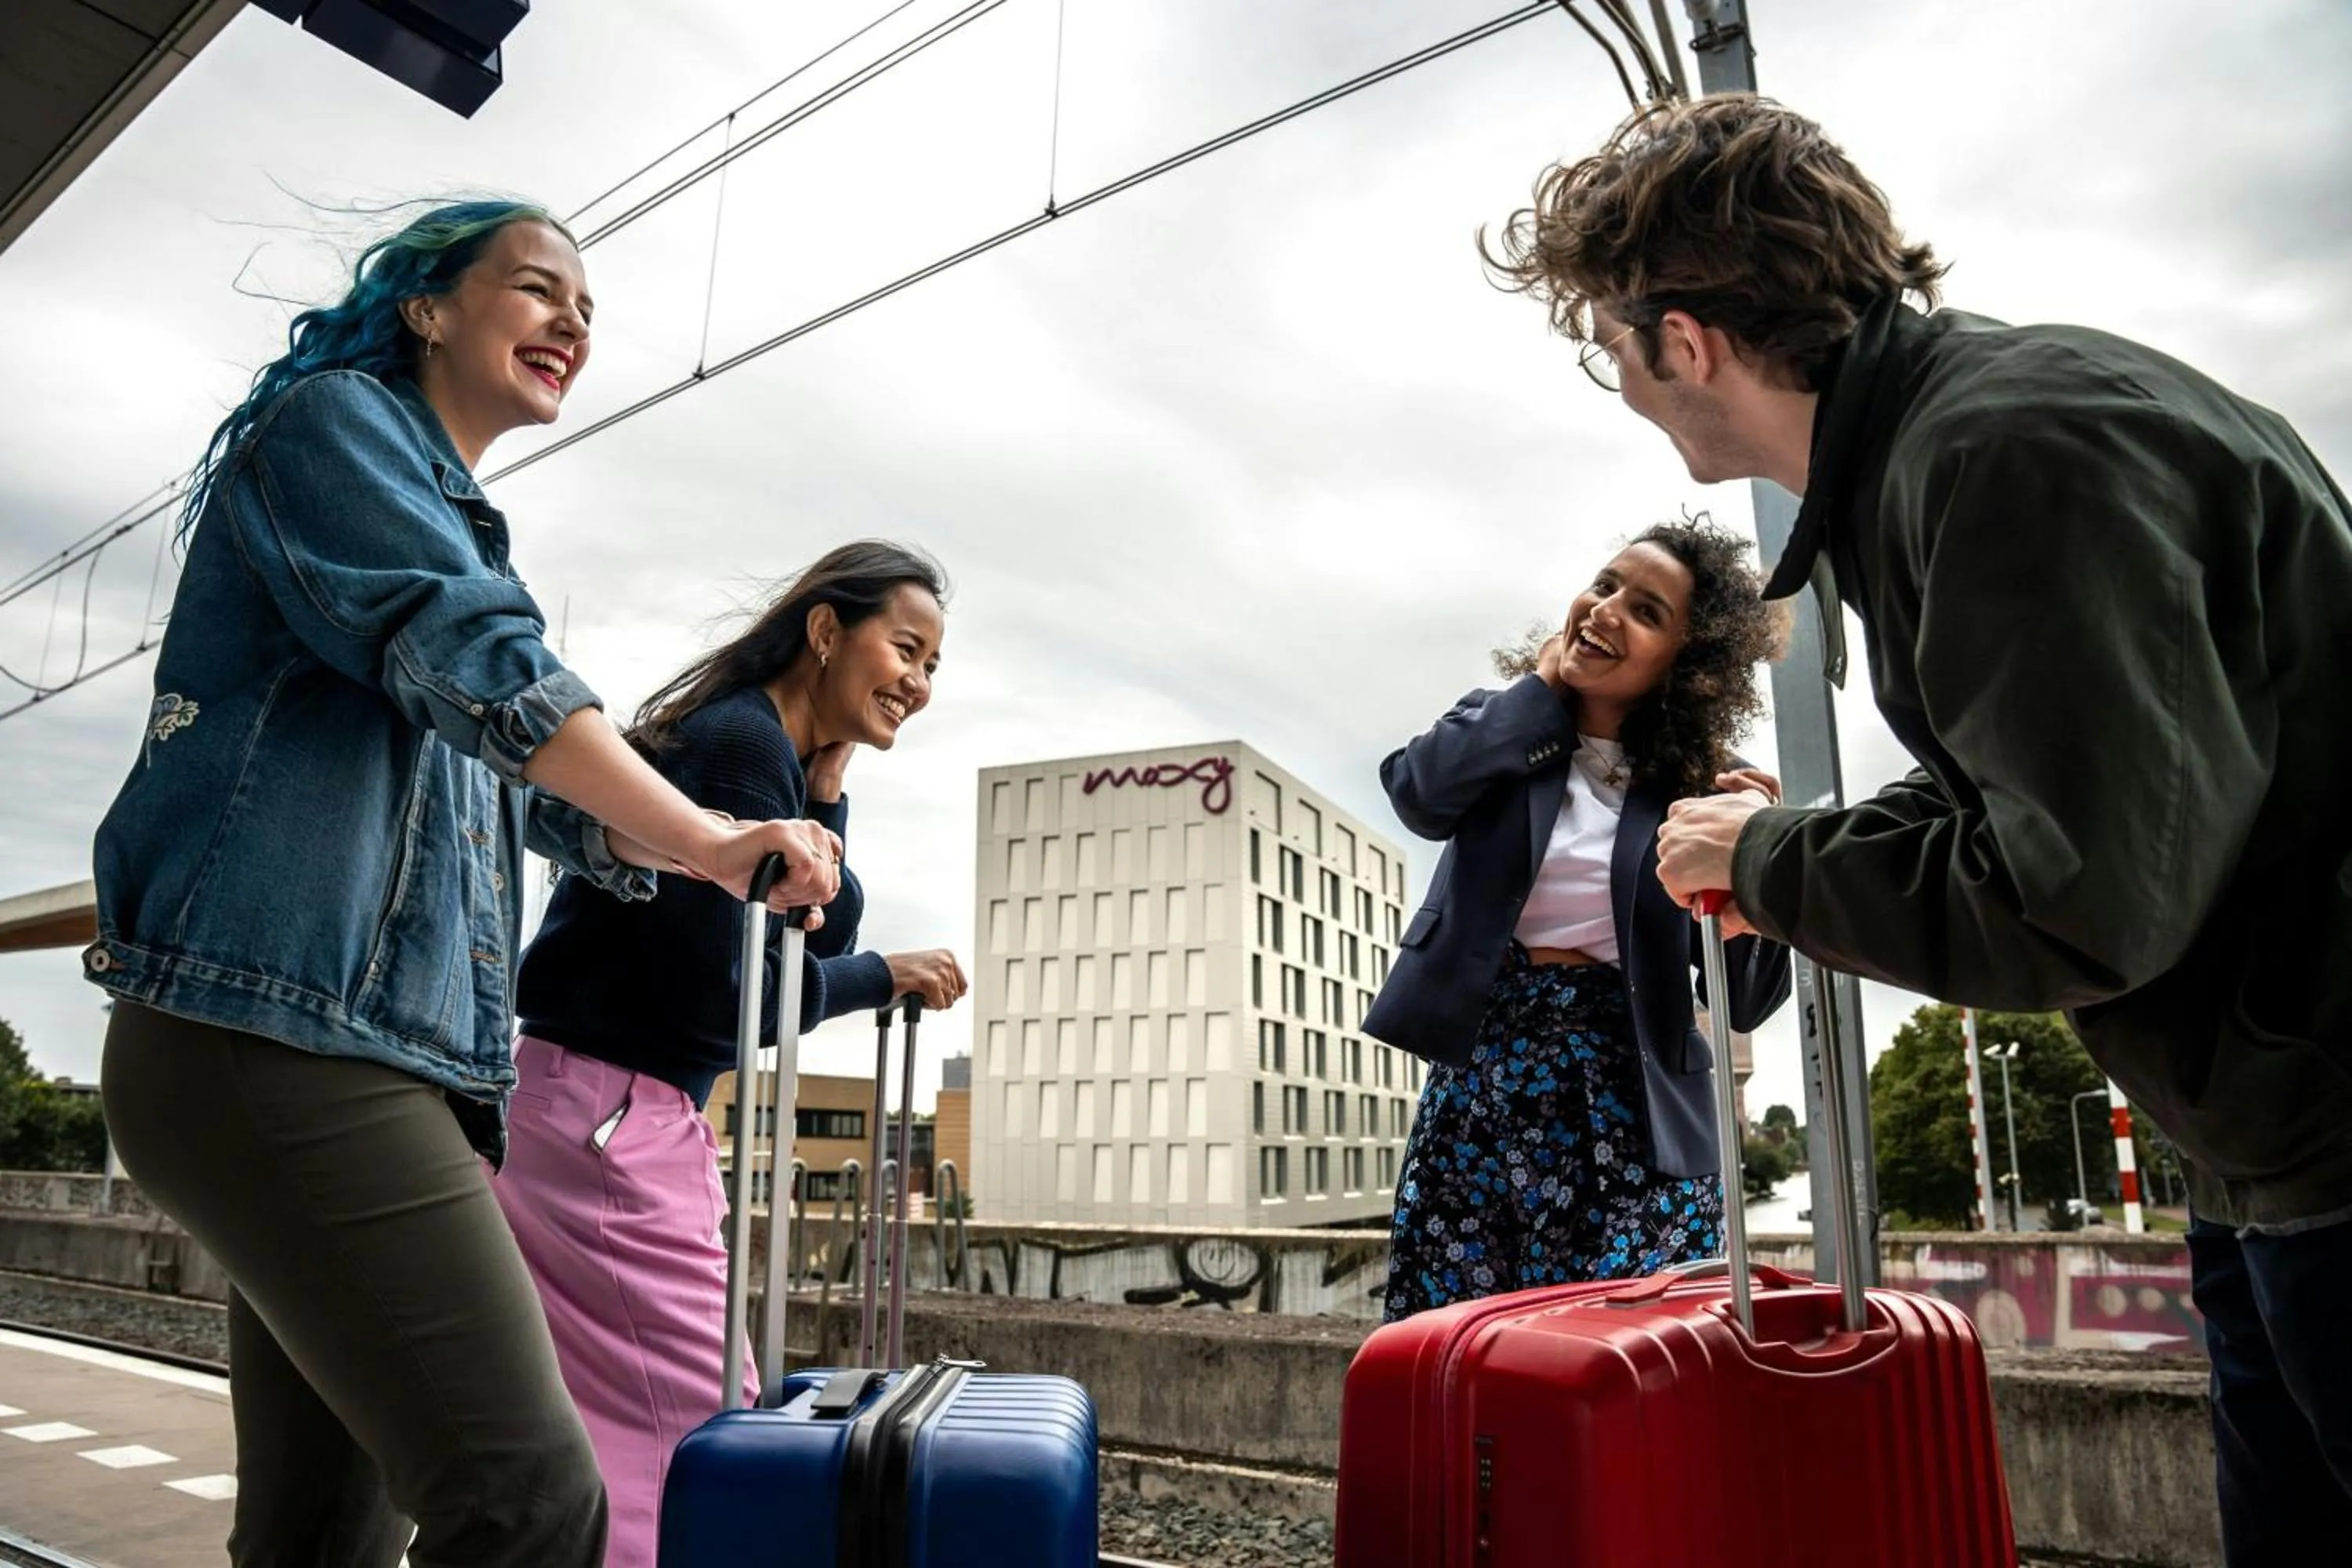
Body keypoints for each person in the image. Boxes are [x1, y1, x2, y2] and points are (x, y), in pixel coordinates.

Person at [1492, 94, 2352, 1561]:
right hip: (2265, 1146)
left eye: (1610, 347)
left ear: (1684, 340)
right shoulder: (1968, 432)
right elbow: (2039, 793)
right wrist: (1795, 845)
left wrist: (1768, 863)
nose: (1620, 381)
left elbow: (2077, 893)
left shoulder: (2007, 457)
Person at [83, 200, 841, 1568]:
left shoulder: (460, 534)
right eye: (539, 289)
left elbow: (538, 796)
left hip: (358, 1062)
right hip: (277, 1049)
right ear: (427, 306)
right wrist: (706, 832)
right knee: (531, 1500)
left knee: (326, 1534)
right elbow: (481, 661)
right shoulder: (333, 427)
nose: (571, 325)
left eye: (589, 312)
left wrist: (700, 840)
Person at [495, 540, 967, 1568]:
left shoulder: (761, 746)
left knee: (608, 1432)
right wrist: (884, 976)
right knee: (700, 1431)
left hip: (584, 1109)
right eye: (906, 649)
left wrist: (827, 788)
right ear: (827, 630)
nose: (920, 683)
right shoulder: (741, 747)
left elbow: (809, 931)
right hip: (616, 1120)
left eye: (933, 665)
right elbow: (741, 995)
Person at [1365, 520, 1793, 1321]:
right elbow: (1417, 793)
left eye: (1647, 611)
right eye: (1605, 585)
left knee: (1613, 1346)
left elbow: (1749, 996)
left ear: (1688, 663)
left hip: (1636, 1103)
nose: (1606, 610)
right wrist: (1538, 695)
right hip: (1484, 1085)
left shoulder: (1703, 788)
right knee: (1462, 1335)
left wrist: (1757, 855)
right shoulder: (1503, 732)